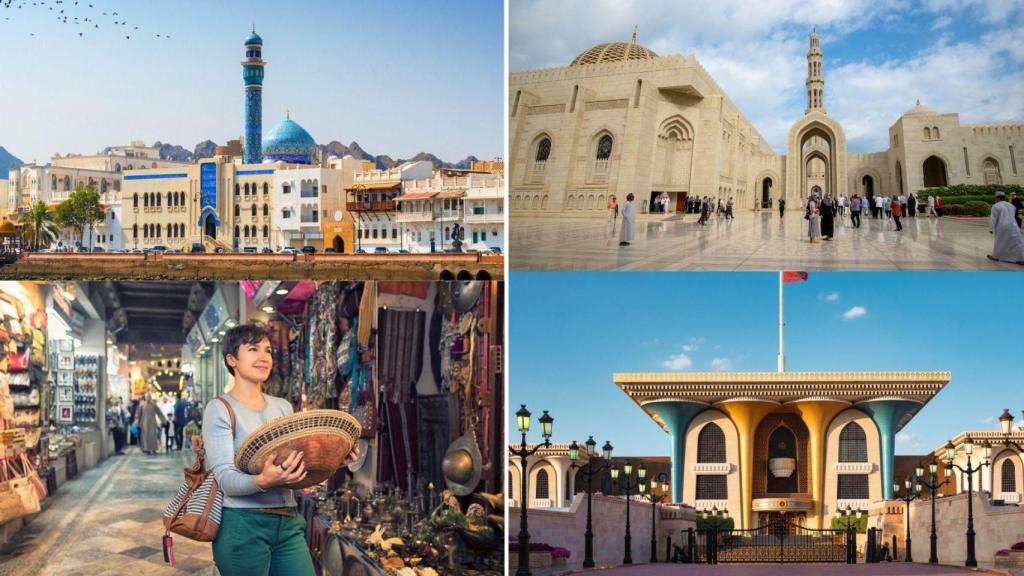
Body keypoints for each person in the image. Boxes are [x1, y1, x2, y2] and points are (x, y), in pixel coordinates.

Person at [203, 323, 360, 576]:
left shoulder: (283, 407)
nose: (264, 357)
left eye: (268, 350)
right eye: (253, 349)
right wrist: (263, 480)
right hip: (243, 526)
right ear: (232, 359)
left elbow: (299, 469)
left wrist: (336, 458)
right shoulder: (220, 409)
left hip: (288, 522)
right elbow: (225, 480)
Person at [987, 191, 1024, 264]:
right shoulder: (1011, 205)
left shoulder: (996, 206)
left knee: (1000, 242)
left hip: (1002, 227)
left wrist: (991, 228)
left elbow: (993, 218)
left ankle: (996, 256)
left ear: (997, 198)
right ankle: (1021, 258)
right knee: (1016, 242)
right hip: (1013, 226)